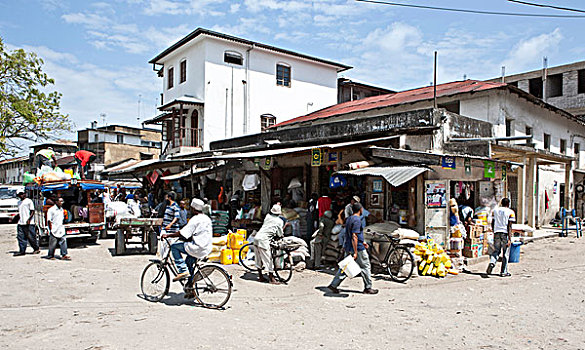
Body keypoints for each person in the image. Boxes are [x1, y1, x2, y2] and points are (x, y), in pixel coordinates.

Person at [162, 199, 213, 292]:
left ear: (193, 208)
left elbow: (183, 233)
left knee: (174, 246)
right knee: (189, 262)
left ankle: (182, 270)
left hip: (197, 247)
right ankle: (190, 287)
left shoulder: (195, 219)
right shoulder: (206, 218)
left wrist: (168, 235)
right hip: (206, 247)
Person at [328, 202, 378, 295]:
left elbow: (353, 234)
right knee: (365, 266)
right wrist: (355, 251)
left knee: (345, 266)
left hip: (349, 246)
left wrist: (363, 241)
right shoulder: (357, 220)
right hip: (357, 248)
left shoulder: (349, 219)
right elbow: (354, 236)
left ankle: (333, 285)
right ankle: (368, 287)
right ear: (360, 210)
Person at [254, 204, 285, 284]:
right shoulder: (279, 221)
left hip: (257, 238)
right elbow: (280, 233)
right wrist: (280, 235)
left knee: (258, 259)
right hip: (264, 240)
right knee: (269, 260)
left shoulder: (267, 216)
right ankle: (271, 279)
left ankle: (260, 276)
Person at [487, 198, 516, 277]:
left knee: (496, 251)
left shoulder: (495, 211)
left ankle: (492, 262)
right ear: (508, 204)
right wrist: (509, 238)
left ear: (501, 203)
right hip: (505, 233)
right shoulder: (510, 212)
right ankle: (503, 271)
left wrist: (494, 231)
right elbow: (509, 226)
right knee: (505, 253)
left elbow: (492, 222)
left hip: (497, 233)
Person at [15, 191, 40, 256]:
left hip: (29, 223)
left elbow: (32, 211)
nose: (22, 195)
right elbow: (20, 212)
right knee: (21, 237)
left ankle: (36, 248)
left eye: (23, 194)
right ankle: (22, 251)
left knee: (31, 237)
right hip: (21, 222)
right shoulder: (19, 203)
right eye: (20, 194)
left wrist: (29, 219)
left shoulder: (29, 201)